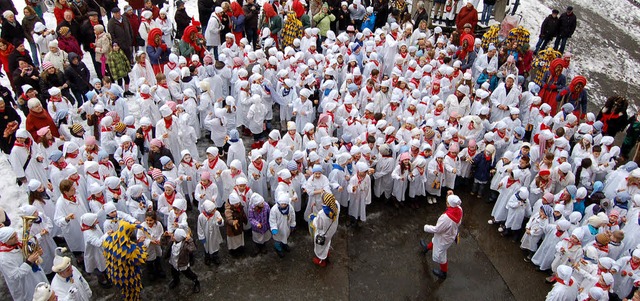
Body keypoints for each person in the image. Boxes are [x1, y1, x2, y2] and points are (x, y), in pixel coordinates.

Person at [420, 192, 463, 279]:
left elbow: (437, 229)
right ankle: (427, 248)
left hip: (444, 238)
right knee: (434, 241)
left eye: (447, 202)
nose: (446, 203)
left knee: (441, 255)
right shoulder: (459, 209)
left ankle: (443, 273)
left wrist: (426, 227)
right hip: (449, 234)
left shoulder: (446, 218)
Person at [0, 226, 47, 301]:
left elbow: (29, 252)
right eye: (13, 237)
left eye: (15, 235)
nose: (17, 237)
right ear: (6, 240)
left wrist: (36, 252)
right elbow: (15, 275)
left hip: (35, 274)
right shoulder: (4, 258)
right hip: (25, 285)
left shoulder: (17, 243)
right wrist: (28, 262)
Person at [309, 193, 339, 267]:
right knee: (327, 242)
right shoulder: (336, 206)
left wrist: (313, 218)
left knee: (320, 247)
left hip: (323, 233)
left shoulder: (322, 214)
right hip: (331, 230)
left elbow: (319, 226)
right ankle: (326, 253)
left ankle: (321, 260)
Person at [197, 200, 224, 265]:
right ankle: (207, 257)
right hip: (206, 235)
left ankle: (215, 257)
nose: (214, 211)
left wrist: (219, 221)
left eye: (214, 209)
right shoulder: (201, 217)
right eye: (212, 210)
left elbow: (221, 221)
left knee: (215, 246)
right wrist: (202, 237)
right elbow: (199, 228)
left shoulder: (216, 213)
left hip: (214, 234)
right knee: (207, 247)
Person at [270, 193, 296, 258]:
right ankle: (278, 248)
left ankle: (284, 244)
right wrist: (273, 228)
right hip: (278, 228)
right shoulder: (274, 209)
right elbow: (272, 219)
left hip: (286, 226)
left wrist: (293, 224)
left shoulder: (290, 208)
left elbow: (293, 216)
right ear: (279, 203)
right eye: (282, 204)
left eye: (285, 204)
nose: (284, 205)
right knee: (278, 239)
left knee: (285, 236)